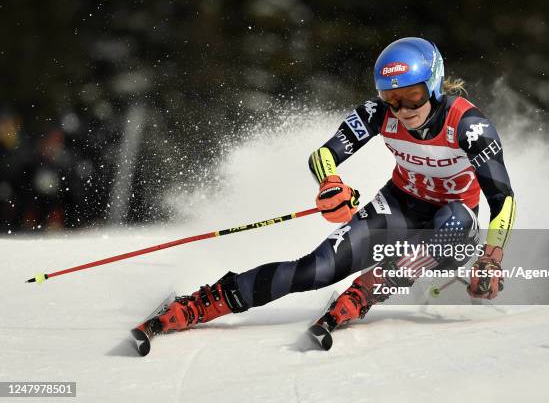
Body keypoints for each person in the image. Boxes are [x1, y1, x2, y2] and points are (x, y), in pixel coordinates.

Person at [136, 37, 516, 337]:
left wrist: (492, 256)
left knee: (451, 226)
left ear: (433, 84)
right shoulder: (377, 114)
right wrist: (331, 184)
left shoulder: (469, 126)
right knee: (316, 269)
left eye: (412, 95)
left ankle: (371, 286)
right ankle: (203, 303)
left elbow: (503, 200)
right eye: (392, 98)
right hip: (400, 206)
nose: (402, 110)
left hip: (455, 224)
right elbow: (323, 156)